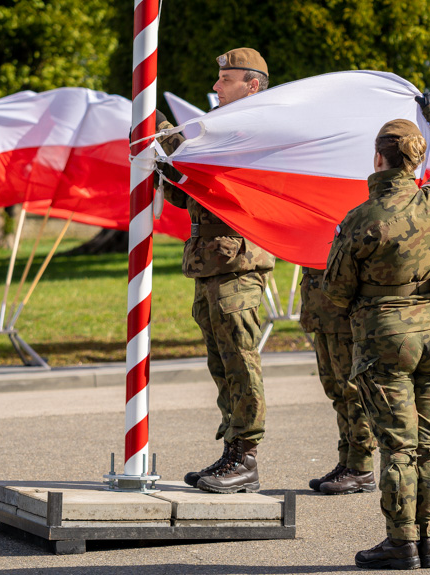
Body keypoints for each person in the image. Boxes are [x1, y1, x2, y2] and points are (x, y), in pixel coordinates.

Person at [323, 93, 430, 570]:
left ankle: (401, 542)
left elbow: (334, 291)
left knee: (397, 444)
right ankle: (429, 540)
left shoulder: (361, 220)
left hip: (386, 338)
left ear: (378, 158)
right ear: (417, 159)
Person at [156, 48, 275, 494]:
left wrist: (168, 138)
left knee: (240, 359)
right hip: (212, 261)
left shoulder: (256, 129)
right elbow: (191, 197)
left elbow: (216, 178)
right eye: (218, 78)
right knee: (221, 361)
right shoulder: (219, 127)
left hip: (239, 263)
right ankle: (232, 450)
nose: (216, 86)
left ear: (253, 84)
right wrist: (167, 168)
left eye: (226, 80)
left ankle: (246, 456)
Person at [299, 266, 377, 495]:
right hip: (320, 310)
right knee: (335, 390)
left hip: (342, 312)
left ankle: (361, 467)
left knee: (353, 392)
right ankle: (346, 461)